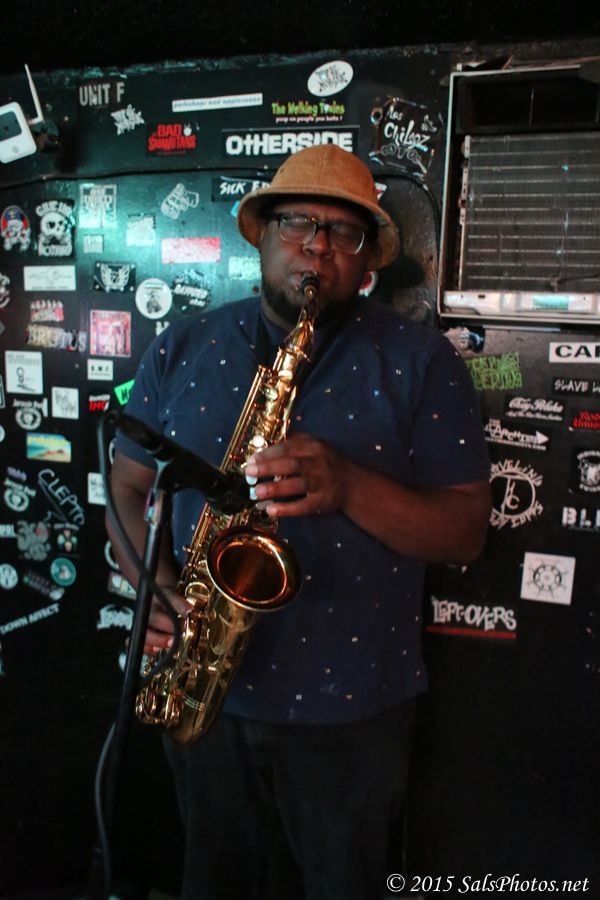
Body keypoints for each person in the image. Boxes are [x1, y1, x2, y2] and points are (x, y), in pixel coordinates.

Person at [107, 144, 492, 900]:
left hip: (353, 715)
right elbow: (125, 484)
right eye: (297, 223)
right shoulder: (181, 345)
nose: (318, 246)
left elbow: (465, 532)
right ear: (261, 234)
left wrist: (348, 485)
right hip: (206, 697)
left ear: (367, 258)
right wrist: (150, 582)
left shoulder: (423, 362)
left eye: (343, 231)